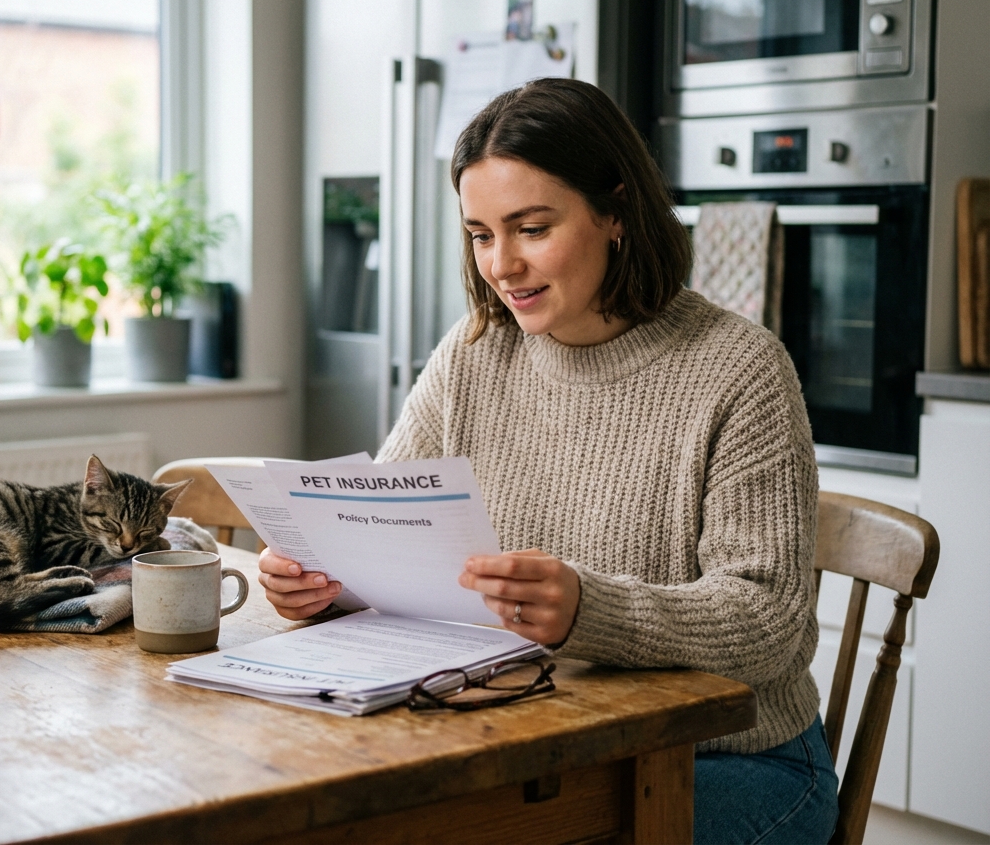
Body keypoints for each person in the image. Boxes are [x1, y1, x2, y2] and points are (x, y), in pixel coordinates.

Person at [258, 78, 838, 844]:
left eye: (531, 228)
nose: (502, 265)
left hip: (731, 762)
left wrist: (588, 611)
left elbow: (769, 620)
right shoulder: (473, 355)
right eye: (480, 234)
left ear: (616, 211)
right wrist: (325, 580)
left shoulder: (738, 369)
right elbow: (388, 528)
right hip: (535, 739)